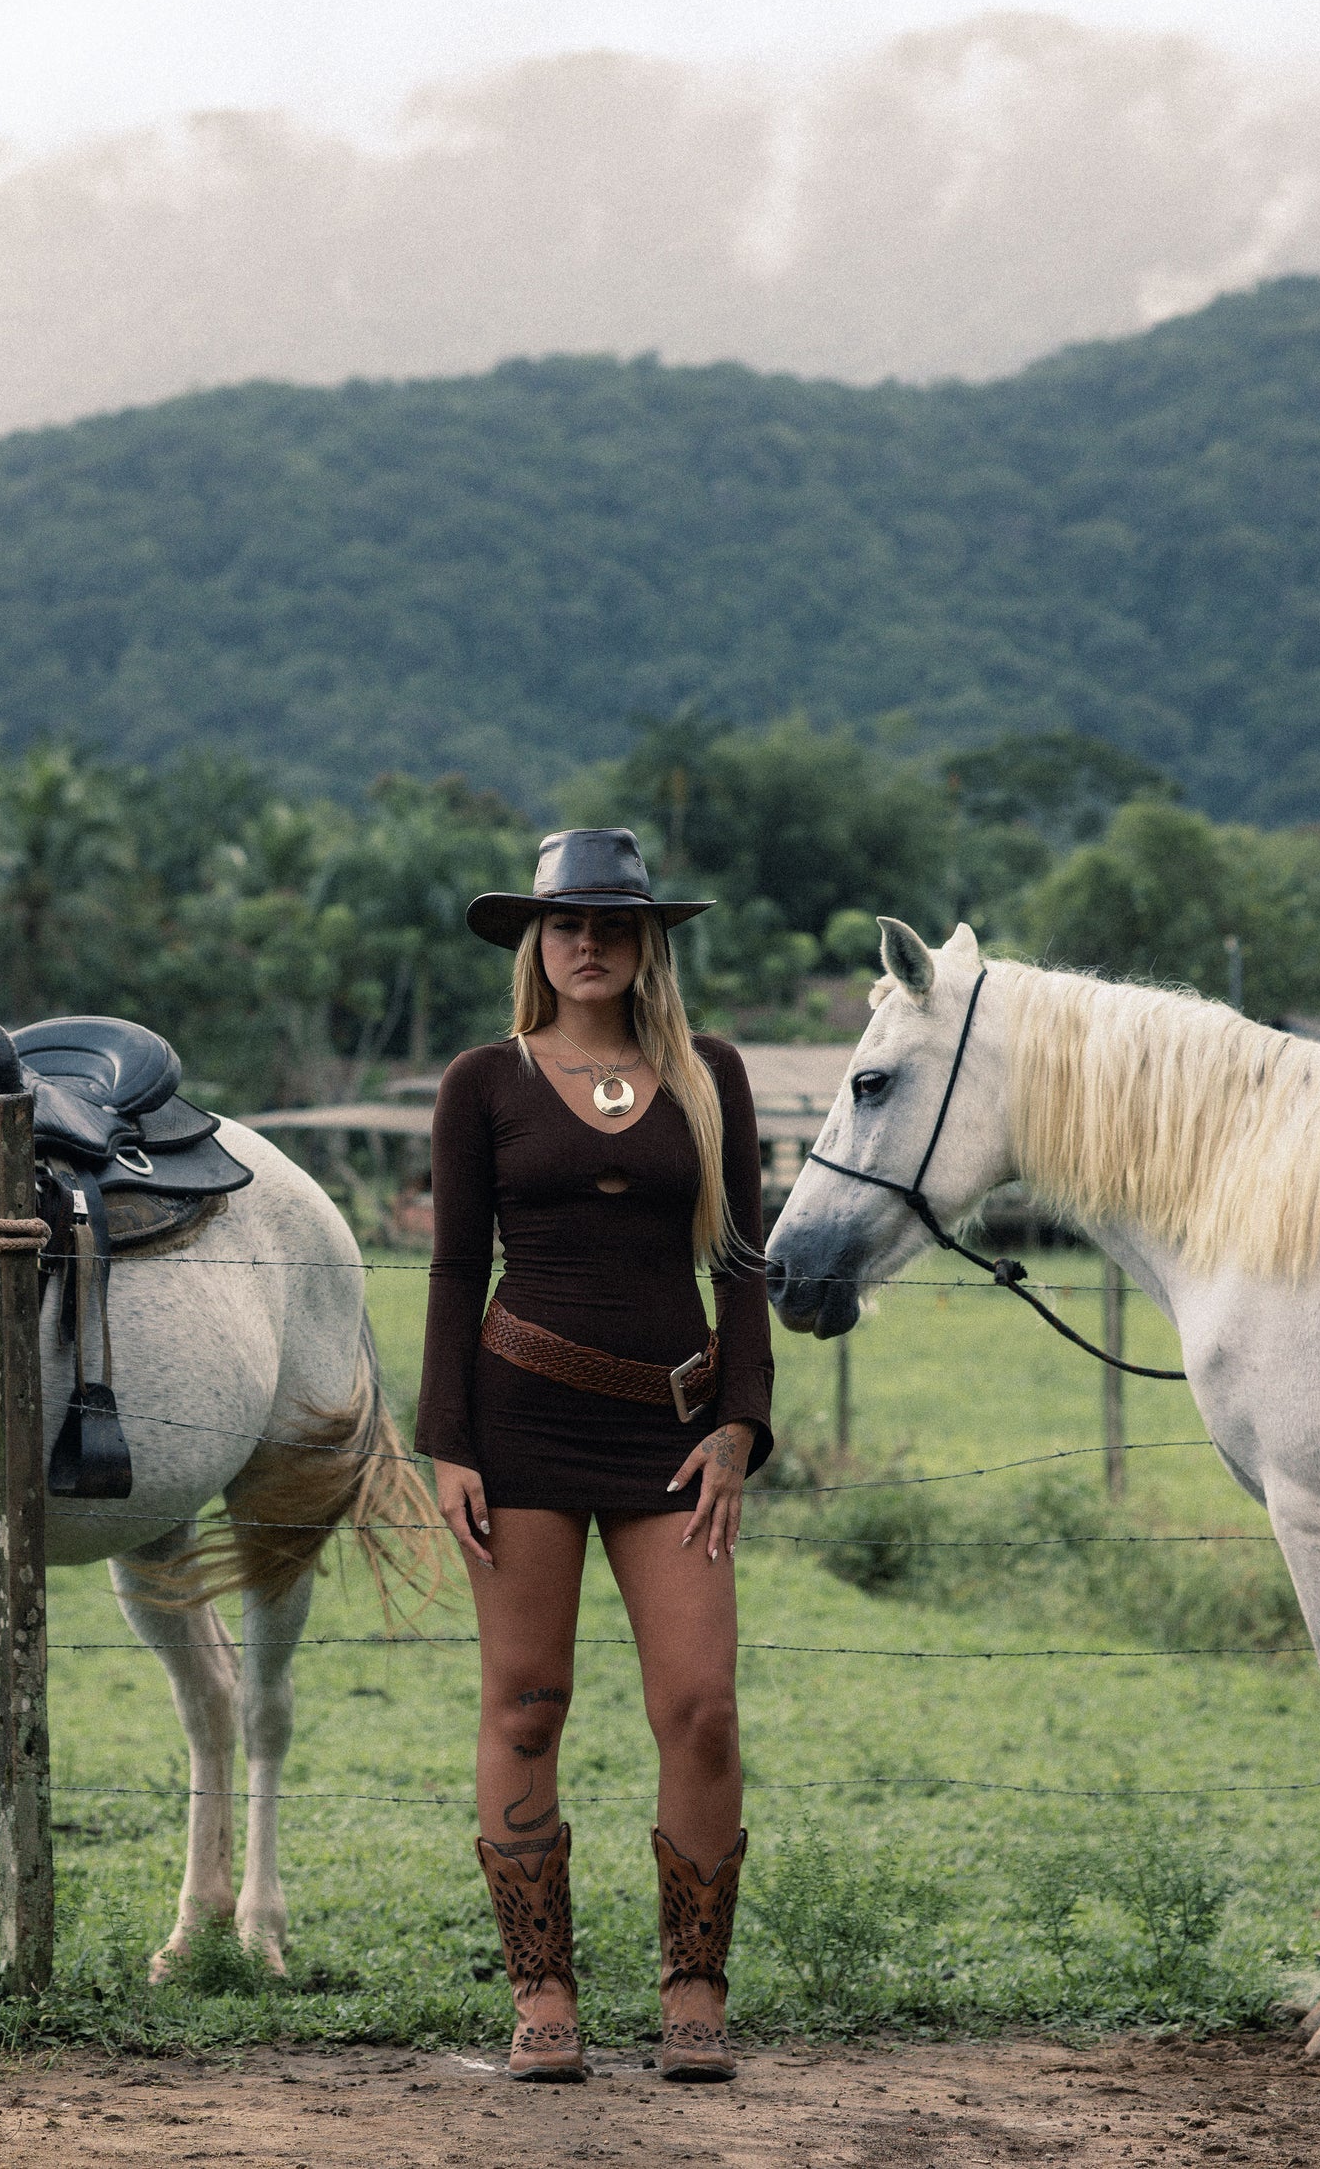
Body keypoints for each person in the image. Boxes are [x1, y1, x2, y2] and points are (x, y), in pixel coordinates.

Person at [417, 827, 773, 2084]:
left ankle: (693, 1991)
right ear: (535, 941)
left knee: (701, 1708)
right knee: (526, 1703)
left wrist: (740, 1422)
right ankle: (543, 1994)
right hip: (517, 1426)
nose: (587, 943)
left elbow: (740, 1262)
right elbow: (453, 1270)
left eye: (612, 924)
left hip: (673, 1435)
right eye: (565, 923)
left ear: (645, 943)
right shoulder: (484, 1080)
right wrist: (445, 1441)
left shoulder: (708, 1074)